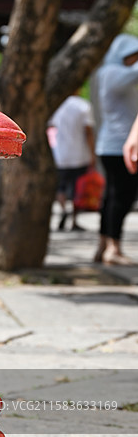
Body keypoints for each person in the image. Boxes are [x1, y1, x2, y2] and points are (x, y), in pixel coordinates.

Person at [92, 34, 138, 265]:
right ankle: (113, 248)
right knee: (121, 197)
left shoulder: (109, 73)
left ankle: (104, 245)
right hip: (120, 147)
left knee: (111, 197)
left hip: (111, 145)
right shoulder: (113, 73)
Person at [48, 89, 96, 231]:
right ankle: (74, 220)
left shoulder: (57, 105)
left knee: (61, 187)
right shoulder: (83, 106)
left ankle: (63, 210)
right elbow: (88, 132)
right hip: (79, 155)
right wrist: (92, 154)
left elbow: (51, 128)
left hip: (60, 155)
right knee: (78, 189)